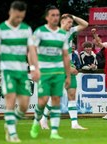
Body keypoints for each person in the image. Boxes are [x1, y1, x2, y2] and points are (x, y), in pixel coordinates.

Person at [0, 1, 40, 142]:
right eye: (17, 17)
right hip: (7, 72)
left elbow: (31, 51)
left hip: (22, 72)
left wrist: (34, 69)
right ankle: (12, 134)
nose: (19, 20)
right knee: (10, 101)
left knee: (24, 104)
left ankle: (10, 123)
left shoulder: (26, 29)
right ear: (10, 12)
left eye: (21, 17)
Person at [40, 13, 88, 130]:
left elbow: (85, 24)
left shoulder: (70, 31)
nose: (70, 25)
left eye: (71, 23)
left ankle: (74, 124)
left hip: (68, 65)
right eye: (68, 22)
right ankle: (43, 119)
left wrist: (74, 16)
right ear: (62, 22)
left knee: (71, 94)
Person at [30, 5, 71, 139]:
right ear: (47, 17)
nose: (55, 18)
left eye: (57, 15)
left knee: (56, 100)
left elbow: (65, 56)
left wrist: (68, 75)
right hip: (43, 72)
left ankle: (54, 132)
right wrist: (33, 69)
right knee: (42, 101)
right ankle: (36, 121)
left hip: (58, 72)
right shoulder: (40, 32)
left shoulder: (62, 34)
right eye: (52, 15)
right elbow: (31, 51)